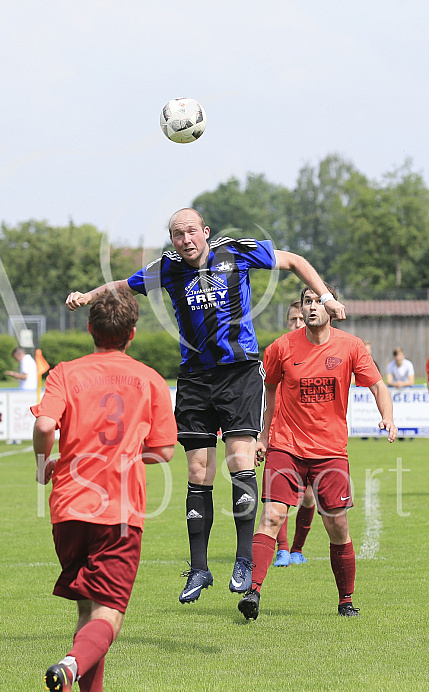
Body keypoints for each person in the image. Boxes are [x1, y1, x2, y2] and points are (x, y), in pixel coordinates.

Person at [65, 208, 346, 604]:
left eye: (190, 232)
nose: (185, 240)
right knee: (198, 471)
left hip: (239, 373)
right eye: (177, 235)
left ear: (205, 232)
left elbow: (294, 261)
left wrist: (329, 298)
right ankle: (199, 570)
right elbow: (124, 285)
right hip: (195, 378)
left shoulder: (235, 252)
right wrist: (88, 295)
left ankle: (244, 560)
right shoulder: (168, 268)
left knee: (239, 461)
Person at [32, 289, 176, 691]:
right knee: (108, 613)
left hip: (68, 507)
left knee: (86, 611)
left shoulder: (65, 372)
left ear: (90, 329)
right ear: (132, 334)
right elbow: (164, 449)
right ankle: (69, 665)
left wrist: (43, 465)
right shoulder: (149, 379)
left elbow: (45, 426)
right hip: (119, 511)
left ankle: (75, 667)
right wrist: (128, 456)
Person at [238, 284, 397, 621]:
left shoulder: (351, 346)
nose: (311, 308)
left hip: (330, 452)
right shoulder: (281, 348)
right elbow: (268, 391)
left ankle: (345, 600)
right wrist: (263, 436)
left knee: (337, 525)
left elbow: (378, 386)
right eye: (306, 301)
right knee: (272, 516)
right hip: (286, 447)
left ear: (330, 306)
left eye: (317, 302)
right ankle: (253, 591)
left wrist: (388, 417)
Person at [273, 301, 316, 568]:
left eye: (301, 318)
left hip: (314, 439)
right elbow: (264, 392)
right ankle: (283, 548)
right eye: (293, 319)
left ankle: (298, 548)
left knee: (309, 496)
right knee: (280, 498)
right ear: (286, 322)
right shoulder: (280, 350)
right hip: (282, 435)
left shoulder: (319, 351)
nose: (298, 323)